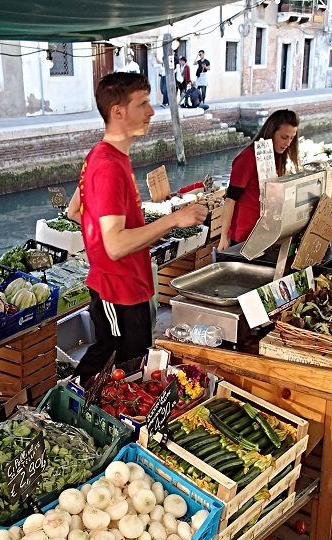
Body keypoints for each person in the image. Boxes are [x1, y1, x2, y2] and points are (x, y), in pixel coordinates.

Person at [67, 73, 208, 381]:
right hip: (118, 291)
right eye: (142, 103)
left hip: (125, 285)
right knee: (117, 367)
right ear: (118, 112)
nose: (151, 111)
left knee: (126, 366)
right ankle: (63, 412)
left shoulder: (103, 155)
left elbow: (74, 210)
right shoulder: (108, 167)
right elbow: (115, 245)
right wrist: (173, 219)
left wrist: (107, 229)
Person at [218, 109, 300, 251]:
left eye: (291, 138)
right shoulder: (247, 158)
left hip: (266, 232)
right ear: (271, 132)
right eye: (284, 137)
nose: (287, 143)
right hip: (244, 235)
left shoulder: (276, 156)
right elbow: (230, 200)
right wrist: (223, 237)